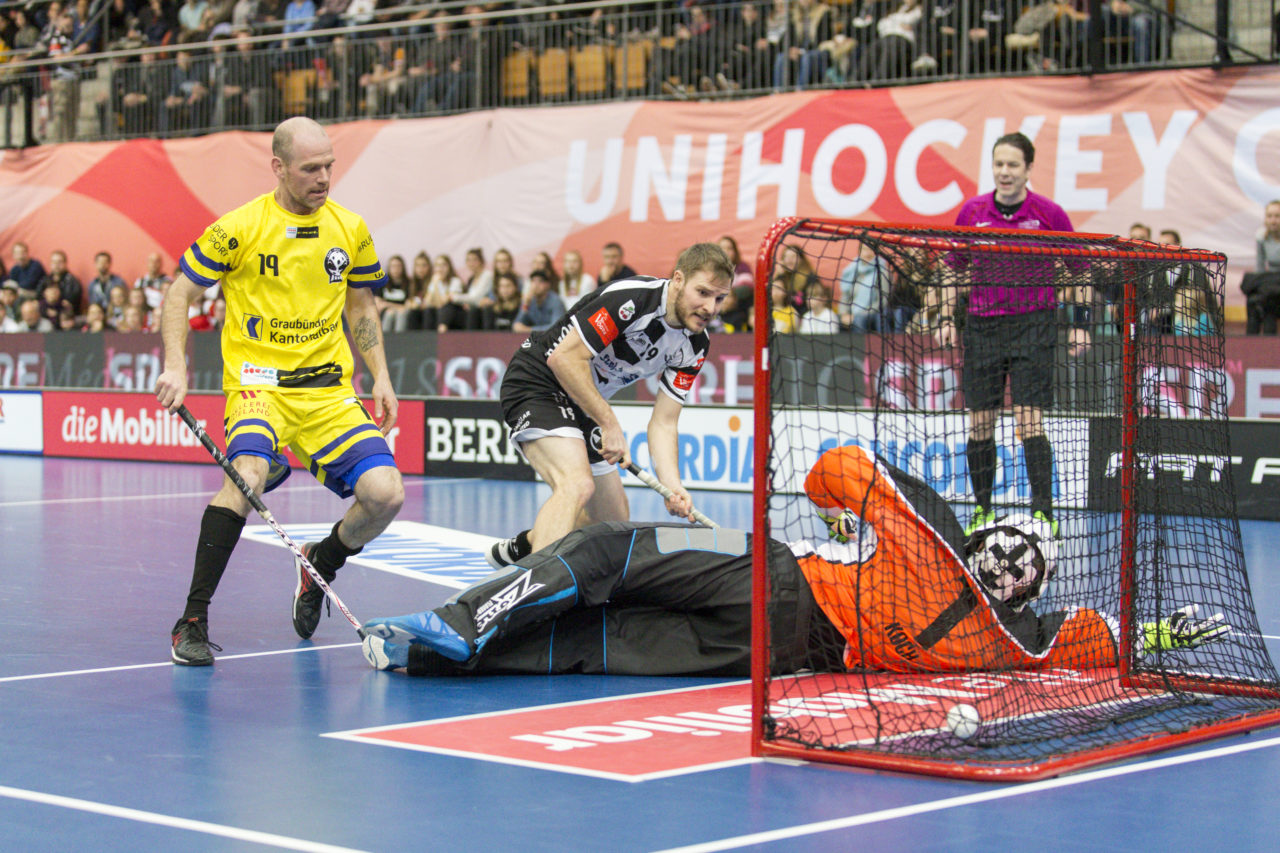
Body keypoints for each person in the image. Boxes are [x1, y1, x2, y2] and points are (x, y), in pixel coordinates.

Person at [359, 444, 1229, 676]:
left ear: (982, 541)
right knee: (605, 640)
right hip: (786, 659)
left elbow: (835, 470)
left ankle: (454, 626)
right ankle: (437, 664)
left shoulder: (932, 535)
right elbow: (1105, 638)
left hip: (768, 570)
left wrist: (849, 516)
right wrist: (1164, 633)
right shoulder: (1017, 644)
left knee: (601, 553)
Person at [154, 117, 404, 667]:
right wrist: (176, 365)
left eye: (329, 167)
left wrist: (380, 375)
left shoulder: (350, 228)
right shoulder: (240, 227)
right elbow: (179, 293)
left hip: (327, 392)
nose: (324, 178)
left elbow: (361, 304)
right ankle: (191, 620)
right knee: (243, 478)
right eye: (311, 169)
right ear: (278, 167)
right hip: (256, 387)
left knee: (387, 494)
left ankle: (321, 563)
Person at [486, 242, 734, 571]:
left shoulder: (696, 345)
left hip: (583, 401)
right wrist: (609, 424)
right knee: (576, 485)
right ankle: (528, 600)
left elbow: (664, 422)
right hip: (539, 379)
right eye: (702, 292)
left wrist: (673, 486)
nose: (710, 307)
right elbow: (564, 359)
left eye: (719, 298)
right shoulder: (633, 298)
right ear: (677, 280)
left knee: (609, 523)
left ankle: (527, 546)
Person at [937, 131, 1086, 538]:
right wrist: (948, 317)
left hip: (1034, 325)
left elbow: (1080, 271)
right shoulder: (972, 212)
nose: (1005, 172)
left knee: (1028, 421)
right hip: (982, 327)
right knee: (980, 423)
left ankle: (1043, 512)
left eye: (1013, 165)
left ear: (1028, 169)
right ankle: (983, 510)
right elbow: (953, 266)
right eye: (999, 164)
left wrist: (1080, 323)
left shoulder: (1051, 215)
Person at [838, 239, 894, 332]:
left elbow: (883, 301)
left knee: (859, 320)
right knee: (835, 320)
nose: (868, 253)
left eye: (871, 249)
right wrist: (844, 314)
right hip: (852, 312)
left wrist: (860, 314)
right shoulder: (852, 270)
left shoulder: (883, 272)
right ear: (859, 251)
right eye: (865, 249)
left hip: (873, 312)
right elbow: (845, 296)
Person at [1245, 200, 1280, 335]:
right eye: (1270, 216)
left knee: (1268, 299)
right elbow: (1259, 268)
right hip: (1270, 282)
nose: (1273, 220)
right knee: (1254, 299)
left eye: (1277, 216)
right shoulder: (1261, 236)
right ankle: (1251, 342)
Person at [511, 268, 566, 333]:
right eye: (533, 281)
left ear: (547, 285)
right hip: (536, 339)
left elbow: (557, 327)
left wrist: (529, 329)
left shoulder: (556, 301)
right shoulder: (529, 299)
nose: (536, 285)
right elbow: (516, 325)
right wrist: (525, 305)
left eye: (540, 281)